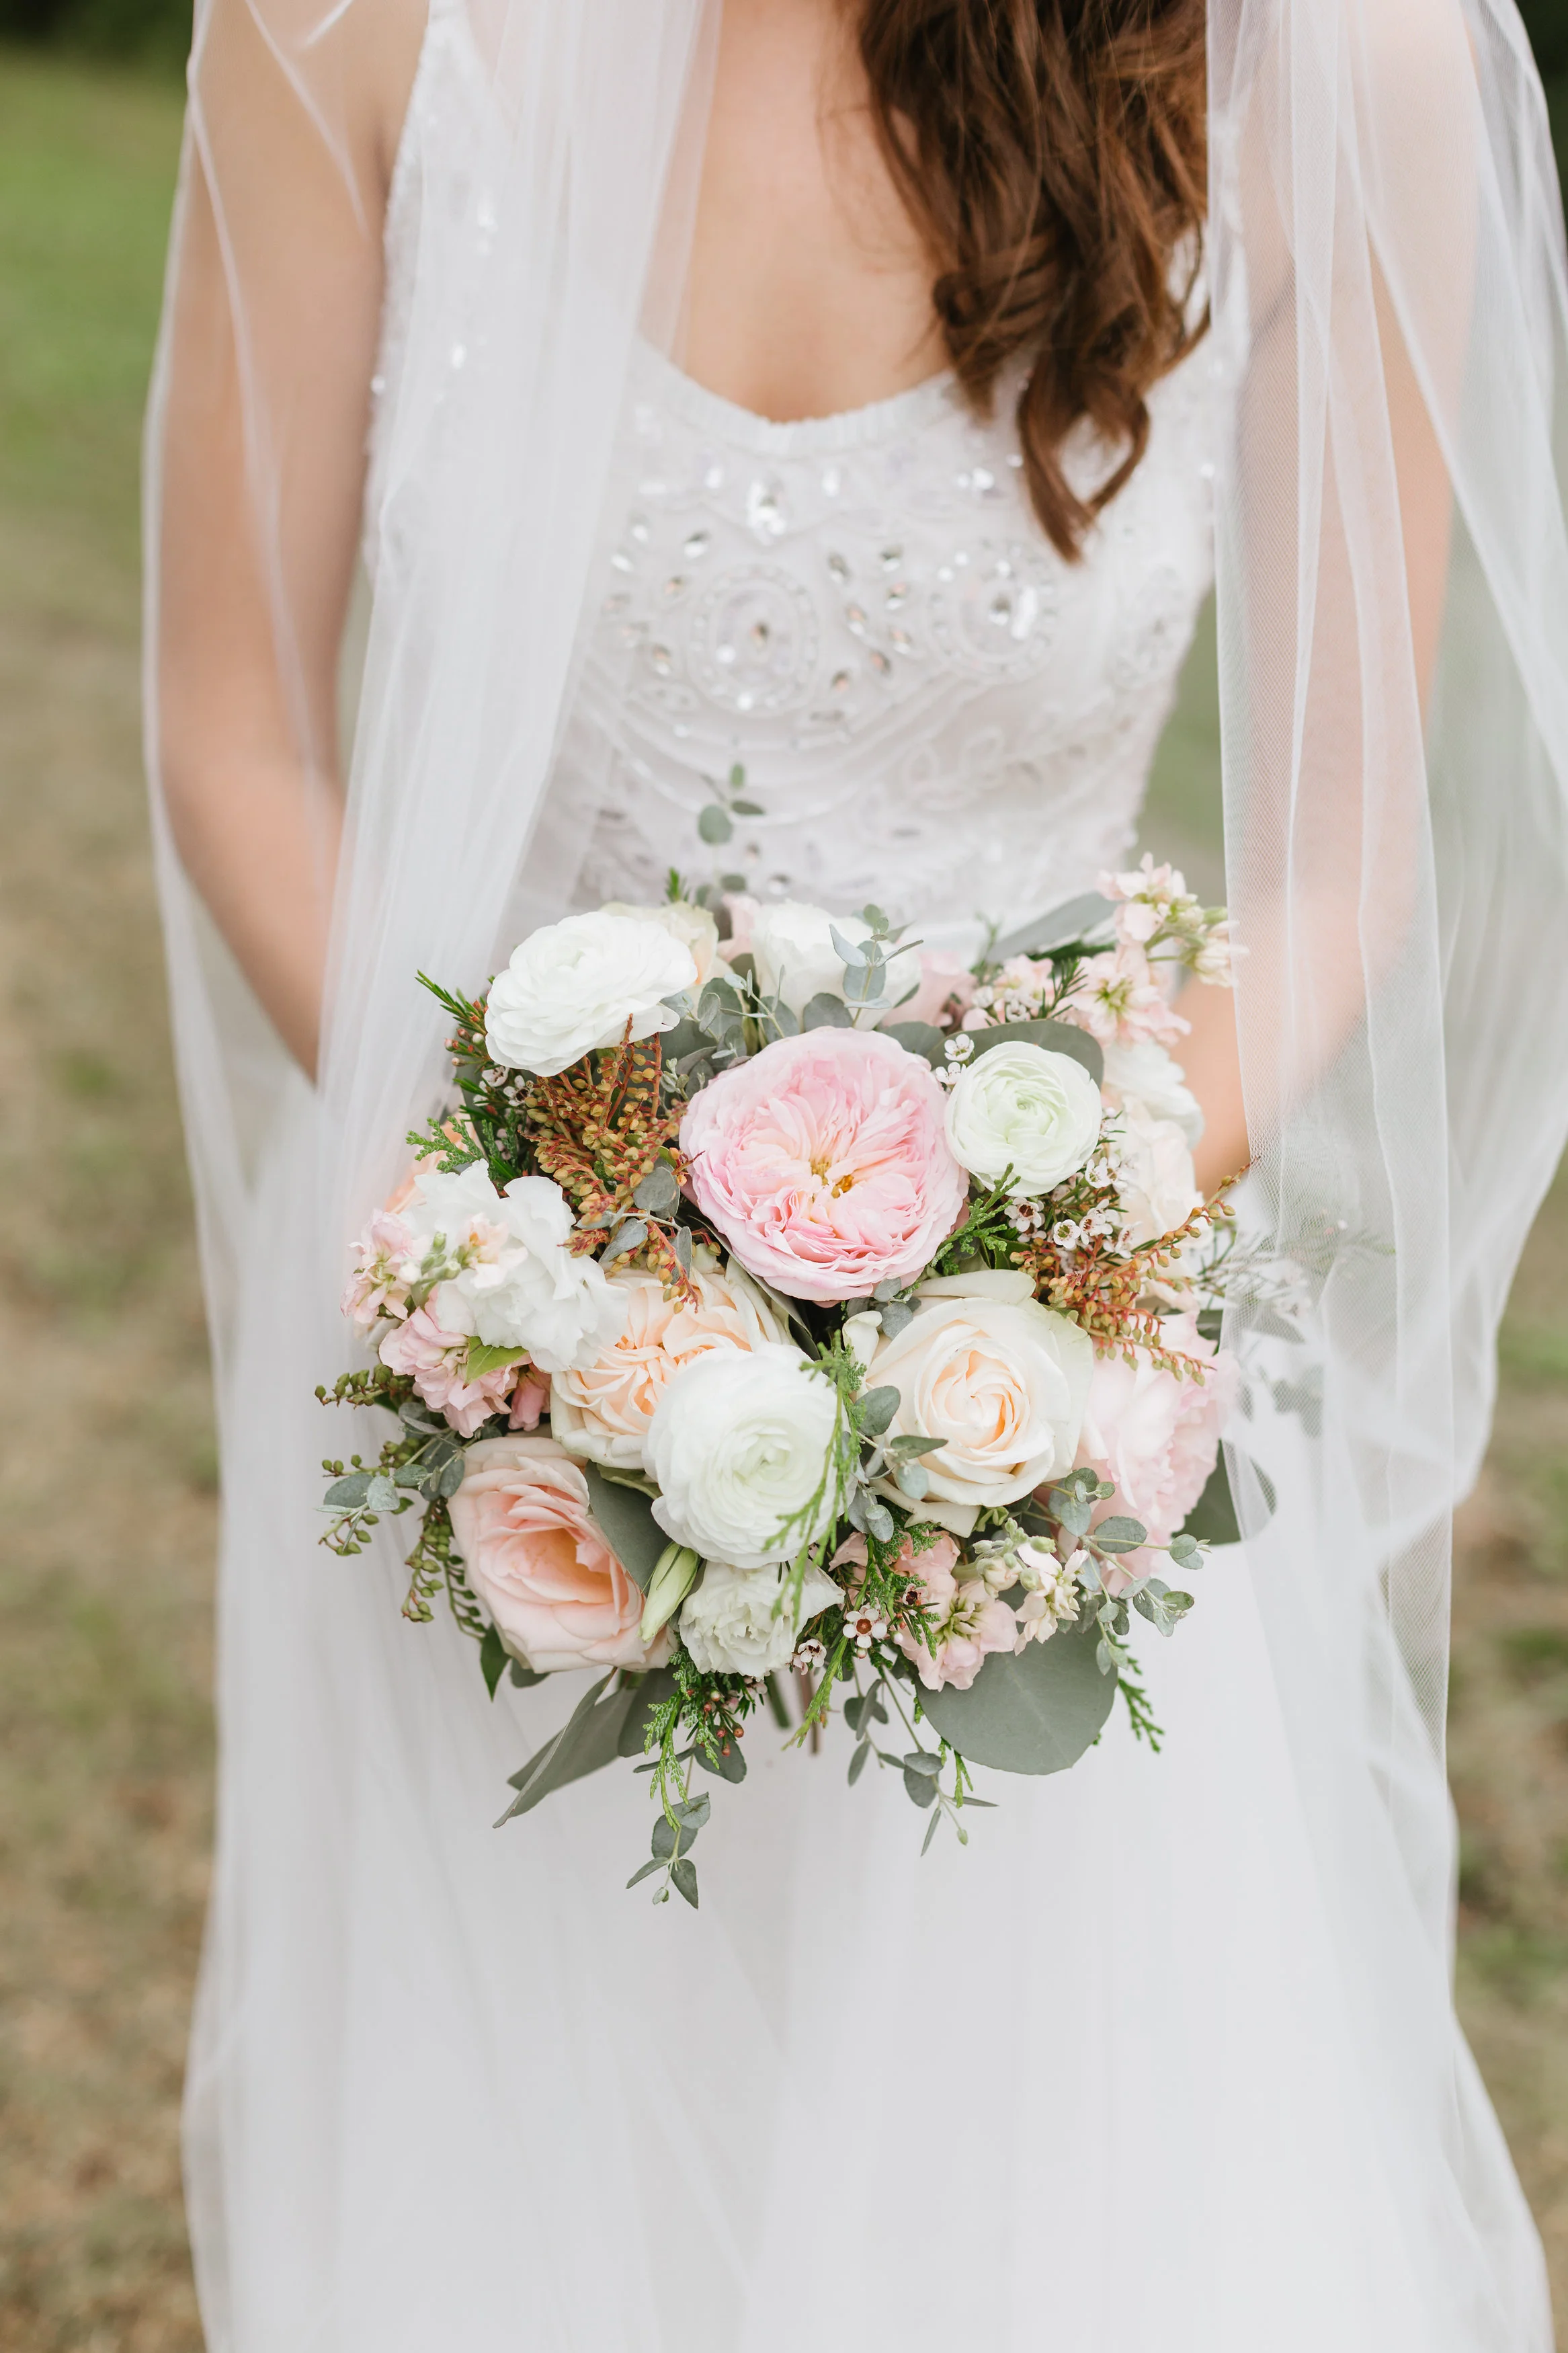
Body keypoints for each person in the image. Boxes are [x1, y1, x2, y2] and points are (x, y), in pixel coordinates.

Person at [144, 1, 1568, 2347]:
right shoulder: (339, 28)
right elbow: (238, 738)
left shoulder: (1329, 61)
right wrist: (561, 1274)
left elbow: (1338, 866)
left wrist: (991, 1286)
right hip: (497, 1376)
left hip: (1037, 1418)